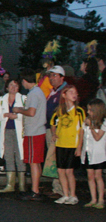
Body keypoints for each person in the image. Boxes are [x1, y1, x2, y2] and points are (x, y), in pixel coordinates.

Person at [13, 72, 47, 201]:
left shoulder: (33, 94)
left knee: (33, 162)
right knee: (36, 161)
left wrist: (19, 110)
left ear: (25, 80)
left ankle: (34, 190)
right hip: (37, 130)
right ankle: (35, 189)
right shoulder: (38, 92)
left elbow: (31, 112)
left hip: (34, 131)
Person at [49, 85, 85, 205]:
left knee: (69, 171)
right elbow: (52, 124)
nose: (74, 94)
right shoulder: (59, 111)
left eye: (75, 92)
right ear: (64, 95)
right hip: (60, 144)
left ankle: (73, 195)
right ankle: (65, 194)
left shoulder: (79, 111)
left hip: (72, 145)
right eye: (71, 92)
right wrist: (54, 134)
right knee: (60, 171)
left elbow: (81, 130)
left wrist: (79, 146)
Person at [0, 79, 27, 194]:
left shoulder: (23, 99)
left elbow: (28, 114)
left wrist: (17, 117)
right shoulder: (2, 100)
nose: (13, 87)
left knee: (20, 156)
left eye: (15, 85)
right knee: (8, 156)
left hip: (19, 131)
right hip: (6, 131)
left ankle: (22, 185)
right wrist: (5, 115)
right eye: (11, 85)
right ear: (7, 87)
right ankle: (10, 184)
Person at [44, 65, 68, 197]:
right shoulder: (54, 91)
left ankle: (60, 188)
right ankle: (57, 186)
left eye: (54, 75)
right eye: (50, 75)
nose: (51, 78)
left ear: (61, 77)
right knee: (53, 157)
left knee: (57, 158)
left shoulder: (64, 91)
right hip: (50, 127)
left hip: (57, 129)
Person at [82, 99, 106, 209]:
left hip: (98, 154)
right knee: (90, 176)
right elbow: (83, 136)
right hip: (88, 152)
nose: (88, 112)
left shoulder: (103, 122)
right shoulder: (87, 121)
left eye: (91, 110)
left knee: (98, 176)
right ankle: (93, 199)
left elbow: (97, 137)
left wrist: (91, 126)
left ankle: (101, 199)